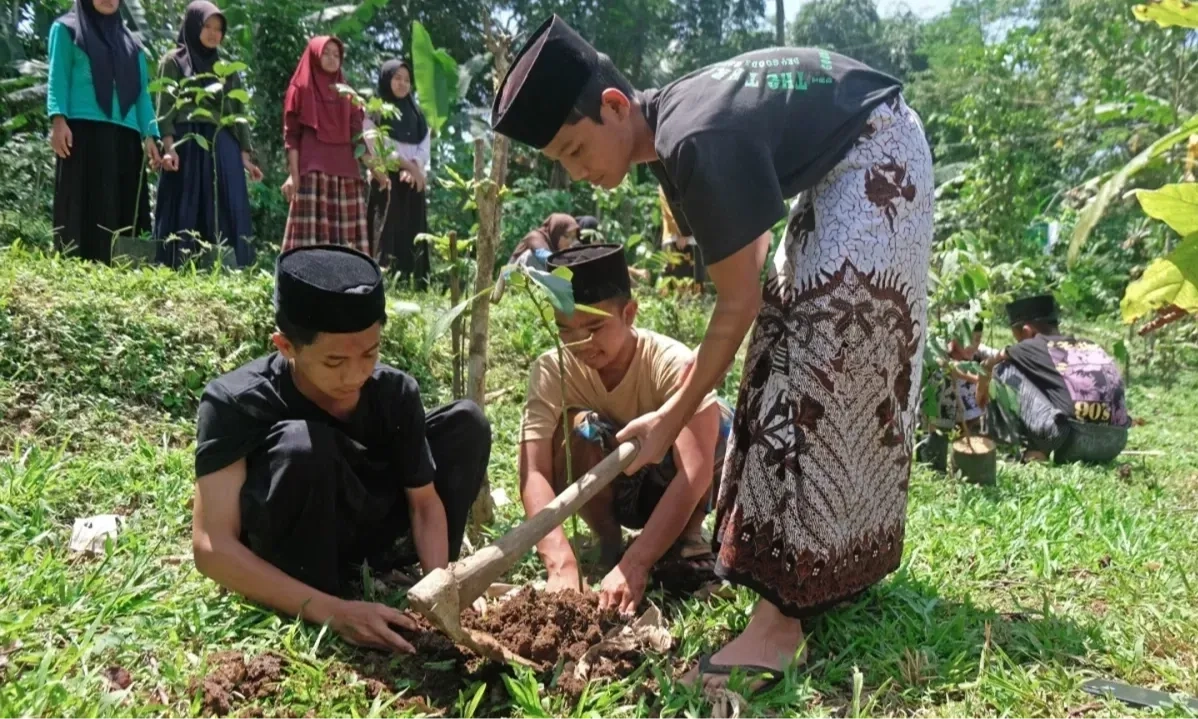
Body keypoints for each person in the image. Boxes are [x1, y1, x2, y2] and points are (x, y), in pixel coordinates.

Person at [491, 15, 934, 687]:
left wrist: (667, 421)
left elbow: (737, 303)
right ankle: (817, 575)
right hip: (847, 161)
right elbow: (752, 295)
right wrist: (670, 412)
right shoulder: (677, 132)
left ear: (613, 107)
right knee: (782, 348)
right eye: (563, 164)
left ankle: (778, 627)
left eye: (576, 151)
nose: (578, 175)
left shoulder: (691, 135)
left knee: (822, 357)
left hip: (877, 153)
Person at [191, 245, 490, 653]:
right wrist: (335, 611)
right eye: (334, 362)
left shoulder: (393, 393)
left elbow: (423, 503)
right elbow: (212, 547)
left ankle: (387, 571)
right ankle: (318, 589)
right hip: (294, 543)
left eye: (370, 353)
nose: (356, 375)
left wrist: (437, 587)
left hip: (364, 526)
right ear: (285, 346)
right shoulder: (235, 401)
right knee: (301, 446)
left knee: (465, 424)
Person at [518, 244, 733, 612]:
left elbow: (695, 473)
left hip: (669, 485)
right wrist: (560, 563)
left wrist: (638, 564)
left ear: (629, 313)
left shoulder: (670, 362)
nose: (579, 344)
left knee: (719, 419)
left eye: (594, 327)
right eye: (564, 331)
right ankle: (608, 543)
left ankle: (686, 536)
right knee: (578, 429)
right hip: (609, 486)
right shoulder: (552, 371)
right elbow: (534, 470)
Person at [47, 0, 162, 264]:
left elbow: (142, 95)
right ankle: (73, 266)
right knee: (81, 204)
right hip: (82, 131)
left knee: (121, 208)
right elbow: (58, 77)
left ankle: (120, 269)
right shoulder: (66, 30)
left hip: (126, 138)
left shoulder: (133, 45)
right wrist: (58, 119)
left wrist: (150, 135)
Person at [154, 1, 263, 269]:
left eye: (219, 29)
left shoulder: (227, 70)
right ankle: (178, 264)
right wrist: (169, 146)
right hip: (187, 141)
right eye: (207, 26)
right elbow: (164, 108)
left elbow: (238, 115)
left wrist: (245, 158)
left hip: (221, 145)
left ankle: (228, 267)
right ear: (193, 26)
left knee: (226, 205)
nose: (214, 33)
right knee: (186, 201)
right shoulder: (173, 61)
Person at [977, 294, 1131, 463]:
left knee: (1003, 369)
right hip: (1117, 441)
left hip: (1073, 438)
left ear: (1028, 331)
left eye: (1018, 337)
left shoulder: (1031, 346)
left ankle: (1018, 452)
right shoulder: (1091, 345)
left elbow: (987, 366)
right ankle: (1037, 448)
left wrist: (980, 397)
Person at [281, 36, 389, 255]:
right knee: (308, 247)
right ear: (314, 55)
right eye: (326, 53)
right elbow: (291, 137)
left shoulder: (347, 95)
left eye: (336, 54)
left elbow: (358, 140)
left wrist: (377, 170)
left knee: (346, 250)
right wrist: (293, 175)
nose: (331, 58)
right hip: (313, 176)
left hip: (346, 177)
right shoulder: (301, 88)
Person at [365, 60, 431, 283]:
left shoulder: (417, 115)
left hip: (413, 180)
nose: (403, 84)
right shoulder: (375, 111)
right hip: (386, 178)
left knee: (412, 231)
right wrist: (408, 166)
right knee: (386, 227)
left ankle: (414, 280)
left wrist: (415, 168)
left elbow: (424, 146)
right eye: (397, 78)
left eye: (406, 80)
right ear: (386, 79)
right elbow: (377, 147)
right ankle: (382, 279)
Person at [507, 212, 579, 269]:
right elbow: (545, 257)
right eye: (567, 236)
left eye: (573, 238)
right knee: (530, 256)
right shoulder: (534, 237)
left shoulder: (554, 245)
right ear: (556, 232)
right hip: (511, 280)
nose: (570, 243)